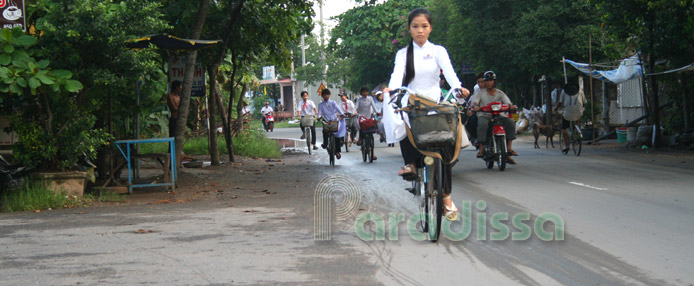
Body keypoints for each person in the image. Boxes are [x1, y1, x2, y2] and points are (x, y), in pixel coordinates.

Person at [384, 8, 470, 221]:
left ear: (430, 28)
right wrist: (391, 89)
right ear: (410, 30)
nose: (420, 31)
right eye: (415, 26)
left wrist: (459, 87)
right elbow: (397, 75)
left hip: (435, 102)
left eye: (424, 26)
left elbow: (449, 72)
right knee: (404, 119)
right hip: (413, 101)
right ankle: (411, 163)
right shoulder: (403, 54)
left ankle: (446, 196)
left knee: (447, 142)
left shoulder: (439, 51)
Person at [472, 71, 518, 164]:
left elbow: (508, 103)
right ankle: (481, 147)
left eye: (490, 80)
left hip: (499, 115)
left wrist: (511, 106)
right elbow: (475, 102)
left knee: (510, 122)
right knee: (482, 123)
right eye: (487, 81)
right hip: (485, 115)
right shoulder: (480, 94)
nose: (489, 83)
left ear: (494, 82)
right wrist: (476, 106)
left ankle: (509, 147)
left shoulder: (500, 93)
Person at [556, 81, 586, 154]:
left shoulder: (564, 92)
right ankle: (577, 129)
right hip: (578, 113)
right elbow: (584, 103)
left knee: (564, 128)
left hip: (568, 114)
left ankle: (567, 146)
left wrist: (556, 108)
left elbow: (560, 102)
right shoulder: (580, 91)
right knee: (577, 118)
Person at [318, 88, 345, 159]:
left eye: (327, 95)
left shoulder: (333, 102)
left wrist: (342, 114)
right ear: (322, 96)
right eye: (324, 95)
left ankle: (337, 151)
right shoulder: (321, 105)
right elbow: (320, 112)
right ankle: (325, 143)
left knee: (336, 135)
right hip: (326, 120)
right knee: (325, 131)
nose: (326, 96)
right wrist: (319, 117)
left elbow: (338, 109)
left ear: (329, 95)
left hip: (334, 120)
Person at [354, 87, 380, 160]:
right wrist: (353, 113)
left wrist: (377, 112)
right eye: (364, 92)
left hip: (369, 117)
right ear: (361, 93)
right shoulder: (359, 100)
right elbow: (355, 107)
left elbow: (374, 107)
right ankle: (361, 139)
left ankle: (372, 152)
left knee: (371, 130)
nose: (365, 93)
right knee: (362, 128)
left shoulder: (370, 98)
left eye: (366, 92)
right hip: (362, 117)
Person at [465, 73, 485, 142]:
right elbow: (473, 102)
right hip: (481, 112)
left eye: (482, 82)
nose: (480, 84)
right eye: (479, 82)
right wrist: (473, 108)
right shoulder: (477, 91)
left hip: (493, 112)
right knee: (472, 121)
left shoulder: (495, 91)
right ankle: (476, 138)